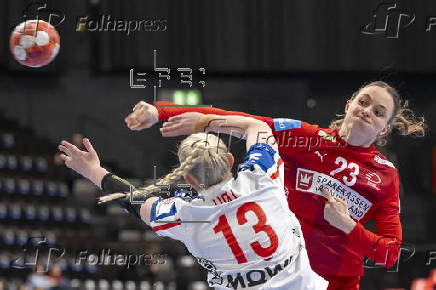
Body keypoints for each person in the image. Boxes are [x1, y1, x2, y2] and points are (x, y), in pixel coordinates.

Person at [124, 81, 427, 289]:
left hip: (337, 282)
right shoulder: (305, 136)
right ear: (349, 104)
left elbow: (388, 253)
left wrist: (347, 225)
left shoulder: (385, 176)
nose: (367, 111)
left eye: (378, 112)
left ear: (385, 127)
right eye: (363, 102)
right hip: (279, 274)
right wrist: (160, 112)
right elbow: (247, 121)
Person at [58, 115, 328, 289]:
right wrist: (204, 121)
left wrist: (94, 171)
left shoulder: (184, 215)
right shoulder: (261, 178)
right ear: (231, 161)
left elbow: (134, 201)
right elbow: (256, 127)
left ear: (187, 177)